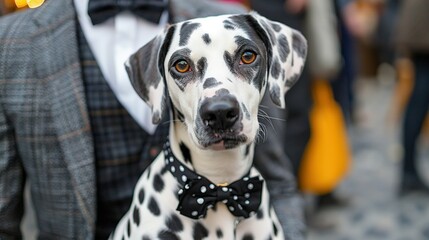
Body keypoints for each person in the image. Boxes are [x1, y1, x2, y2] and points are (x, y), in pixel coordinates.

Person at [0, 0, 305, 239]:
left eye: (246, 58)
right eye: (183, 66)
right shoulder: (12, 43)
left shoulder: (237, 20)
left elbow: (279, 183)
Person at [395, 0, 429, 194]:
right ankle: (408, 172)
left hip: (420, 24)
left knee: (418, 101)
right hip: (423, 25)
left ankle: (409, 171)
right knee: (419, 102)